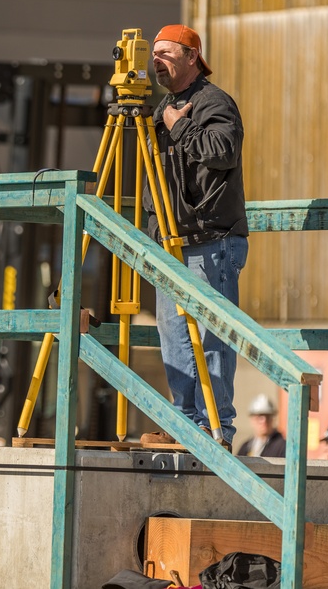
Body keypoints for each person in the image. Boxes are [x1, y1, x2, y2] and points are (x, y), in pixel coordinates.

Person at [140, 24, 247, 451]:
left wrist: (178, 128)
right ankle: (183, 422)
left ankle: (215, 427)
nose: (156, 60)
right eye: (154, 54)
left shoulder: (212, 102)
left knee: (212, 336)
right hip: (173, 243)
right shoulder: (166, 106)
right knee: (173, 333)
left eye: (166, 53)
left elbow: (224, 152)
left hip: (212, 240)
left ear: (191, 57)